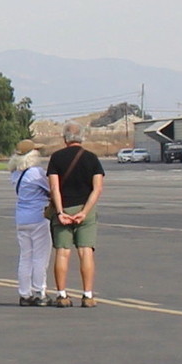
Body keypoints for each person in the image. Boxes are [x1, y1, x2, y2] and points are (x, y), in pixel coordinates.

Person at [47, 125, 105, 307]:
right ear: (82, 138)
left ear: (65, 138)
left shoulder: (56, 158)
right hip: (84, 210)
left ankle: (62, 294)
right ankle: (87, 295)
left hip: (64, 208)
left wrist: (60, 212)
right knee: (86, 251)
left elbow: (54, 188)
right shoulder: (92, 158)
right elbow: (97, 189)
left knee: (62, 253)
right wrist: (85, 211)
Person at [7, 139, 53, 305]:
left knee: (25, 257)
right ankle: (39, 292)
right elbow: (50, 189)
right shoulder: (36, 172)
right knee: (40, 257)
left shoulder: (15, 173)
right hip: (38, 217)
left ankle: (24, 294)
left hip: (22, 217)